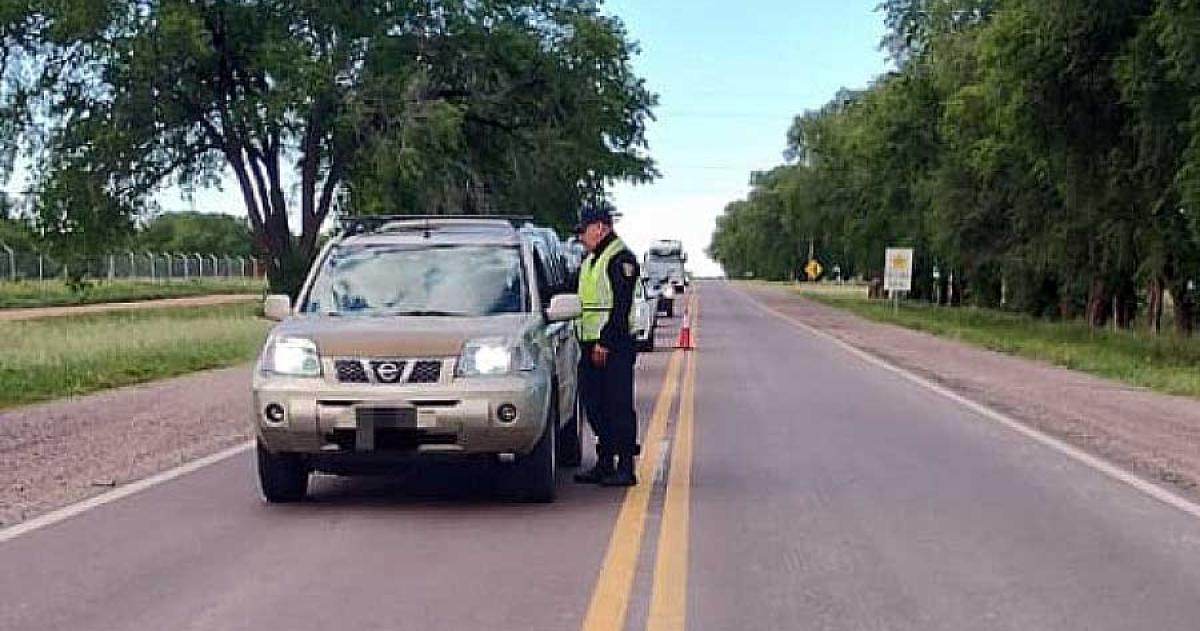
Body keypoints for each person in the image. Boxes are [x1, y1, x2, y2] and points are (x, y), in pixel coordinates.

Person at [573, 202, 641, 487]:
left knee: (618, 405)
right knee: (595, 404)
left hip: (614, 344)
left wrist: (606, 341)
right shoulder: (591, 260)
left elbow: (621, 306)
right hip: (589, 343)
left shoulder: (620, 258)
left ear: (600, 228)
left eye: (583, 230)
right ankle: (604, 461)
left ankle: (625, 466)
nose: (580, 237)